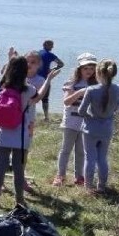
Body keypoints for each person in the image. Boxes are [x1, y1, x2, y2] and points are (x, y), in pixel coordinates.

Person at [0, 56, 59, 207]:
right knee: (18, 169)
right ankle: (19, 200)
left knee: (0, 167)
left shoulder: (1, 87)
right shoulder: (28, 90)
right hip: (19, 136)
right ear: (24, 71)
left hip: (2, 133)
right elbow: (39, 97)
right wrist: (48, 79)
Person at [51, 53, 97, 187]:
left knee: (81, 151)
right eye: (85, 68)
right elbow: (66, 101)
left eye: (91, 68)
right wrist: (80, 92)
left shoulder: (95, 84)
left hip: (86, 123)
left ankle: (79, 176)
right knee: (66, 150)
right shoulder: (71, 83)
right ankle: (60, 175)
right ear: (79, 69)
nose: (89, 71)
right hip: (70, 121)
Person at [77, 59, 119, 194]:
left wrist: (91, 116)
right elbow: (115, 108)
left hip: (90, 128)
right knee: (102, 158)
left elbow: (81, 111)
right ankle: (101, 186)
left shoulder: (91, 90)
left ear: (98, 73)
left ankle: (88, 187)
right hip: (107, 128)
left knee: (89, 157)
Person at [38, 39, 65, 121]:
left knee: (30, 96)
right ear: (46, 45)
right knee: (45, 99)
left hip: (34, 77)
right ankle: (46, 117)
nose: (52, 47)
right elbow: (61, 64)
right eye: (51, 45)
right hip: (45, 79)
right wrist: (52, 69)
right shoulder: (51, 55)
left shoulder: (37, 53)